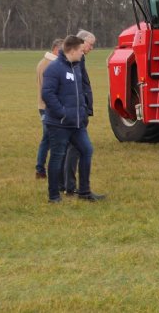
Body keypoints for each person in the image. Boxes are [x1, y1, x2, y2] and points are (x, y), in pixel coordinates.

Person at [42, 35, 105, 203]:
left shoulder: (76, 67)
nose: (82, 53)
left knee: (87, 150)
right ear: (71, 50)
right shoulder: (54, 69)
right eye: (80, 50)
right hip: (59, 124)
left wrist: (83, 111)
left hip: (77, 123)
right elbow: (47, 94)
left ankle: (84, 191)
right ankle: (54, 195)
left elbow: (81, 90)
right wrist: (63, 112)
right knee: (57, 156)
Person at [62, 30, 95, 194]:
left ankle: (68, 185)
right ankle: (71, 186)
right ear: (81, 42)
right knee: (77, 149)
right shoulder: (74, 62)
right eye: (90, 44)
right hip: (76, 113)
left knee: (73, 148)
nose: (91, 48)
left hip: (78, 111)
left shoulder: (79, 60)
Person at [35, 38, 63, 179]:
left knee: (46, 139)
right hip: (49, 107)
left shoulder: (41, 62)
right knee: (52, 139)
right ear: (57, 50)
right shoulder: (52, 65)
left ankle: (40, 169)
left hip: (42, 106)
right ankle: (48, 170)